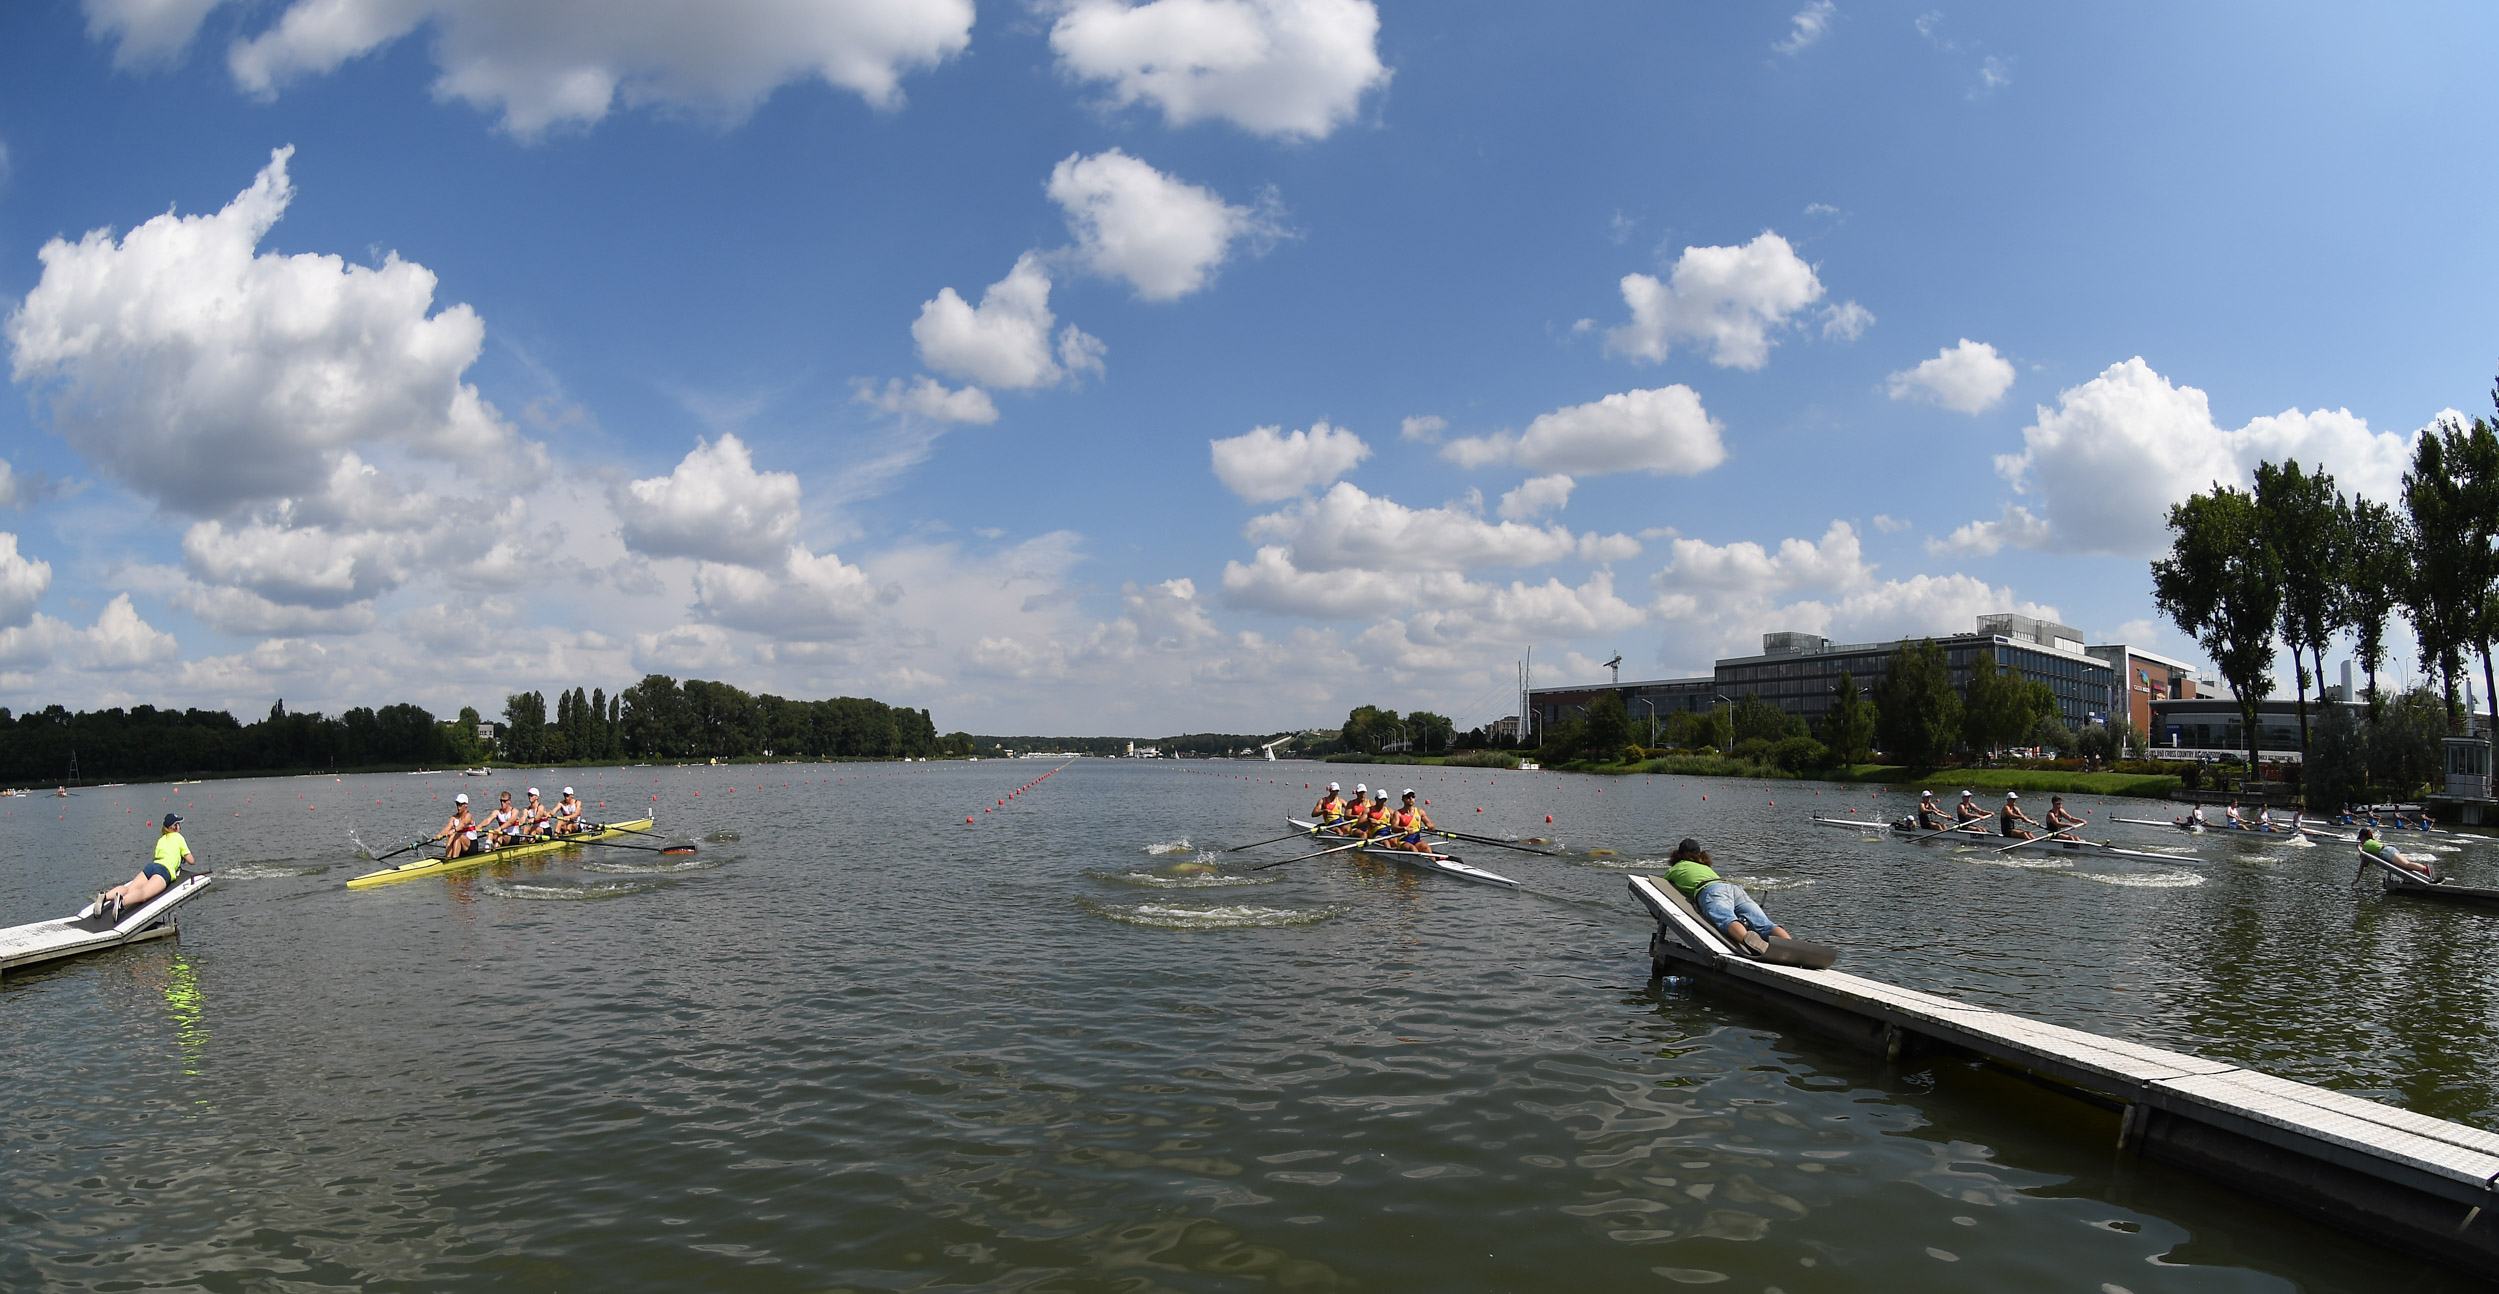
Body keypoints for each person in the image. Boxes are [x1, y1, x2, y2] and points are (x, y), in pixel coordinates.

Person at [1663, 838, 1790, 956]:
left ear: (1678, 854)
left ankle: (1751, 943)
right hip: (1732, 888)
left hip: (1711, 891)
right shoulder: (1705, 867)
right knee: (1764, 924)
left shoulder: (1675, 868)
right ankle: (1792, 946)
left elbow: (1663, 887)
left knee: (1726, 919)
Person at [97, 813, 193, 921]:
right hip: (164, 870)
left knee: (129, 888)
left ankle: (105, 897)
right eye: (179, 824)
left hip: (151, 866)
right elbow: (191, 860)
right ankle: (122, 902)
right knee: (144, 893)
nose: (180, 826)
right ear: (174, 827)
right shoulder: (179, 837)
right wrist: (182, 855)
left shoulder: (161, 840)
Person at [2359, 828, 2439, 881]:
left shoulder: (2366, 844)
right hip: (2390, 849)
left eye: (2360, 838)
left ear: (2364, 837)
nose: (2360, 840)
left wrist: (2359, 849)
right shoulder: (2371, 841)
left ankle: (2425, 869)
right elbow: (2366, 863)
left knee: (2407, 865)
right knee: (2407, 866)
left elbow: (2363, 863)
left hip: (2387, 852)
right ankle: (2425, 870)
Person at [434, 793, 480, 859]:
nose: (458, 807)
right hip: (460, 846)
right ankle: (448, 858)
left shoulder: (468, 816)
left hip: (471, 846)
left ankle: (454, 859)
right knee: (451, 836)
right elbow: (447, 828)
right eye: (457, 804)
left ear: (466, 805)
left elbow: (462, 825)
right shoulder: (454, 818)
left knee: (457, 836)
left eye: (460, 804)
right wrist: (440, 835)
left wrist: (453, 830)